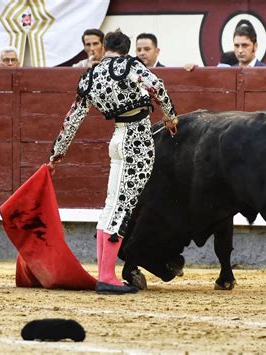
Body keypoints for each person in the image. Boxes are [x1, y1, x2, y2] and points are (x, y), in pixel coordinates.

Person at [48, 29, 178, 295]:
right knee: (123, 207)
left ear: (105, 46)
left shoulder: (89, 76)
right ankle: (107, 276)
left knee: (111, 206)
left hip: (117, 139)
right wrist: (170, 117)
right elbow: (158, 86)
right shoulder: (129, 65)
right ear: (127, 48)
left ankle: (104, 273)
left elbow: (71, 121)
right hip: (138, 140)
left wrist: (56, 155)